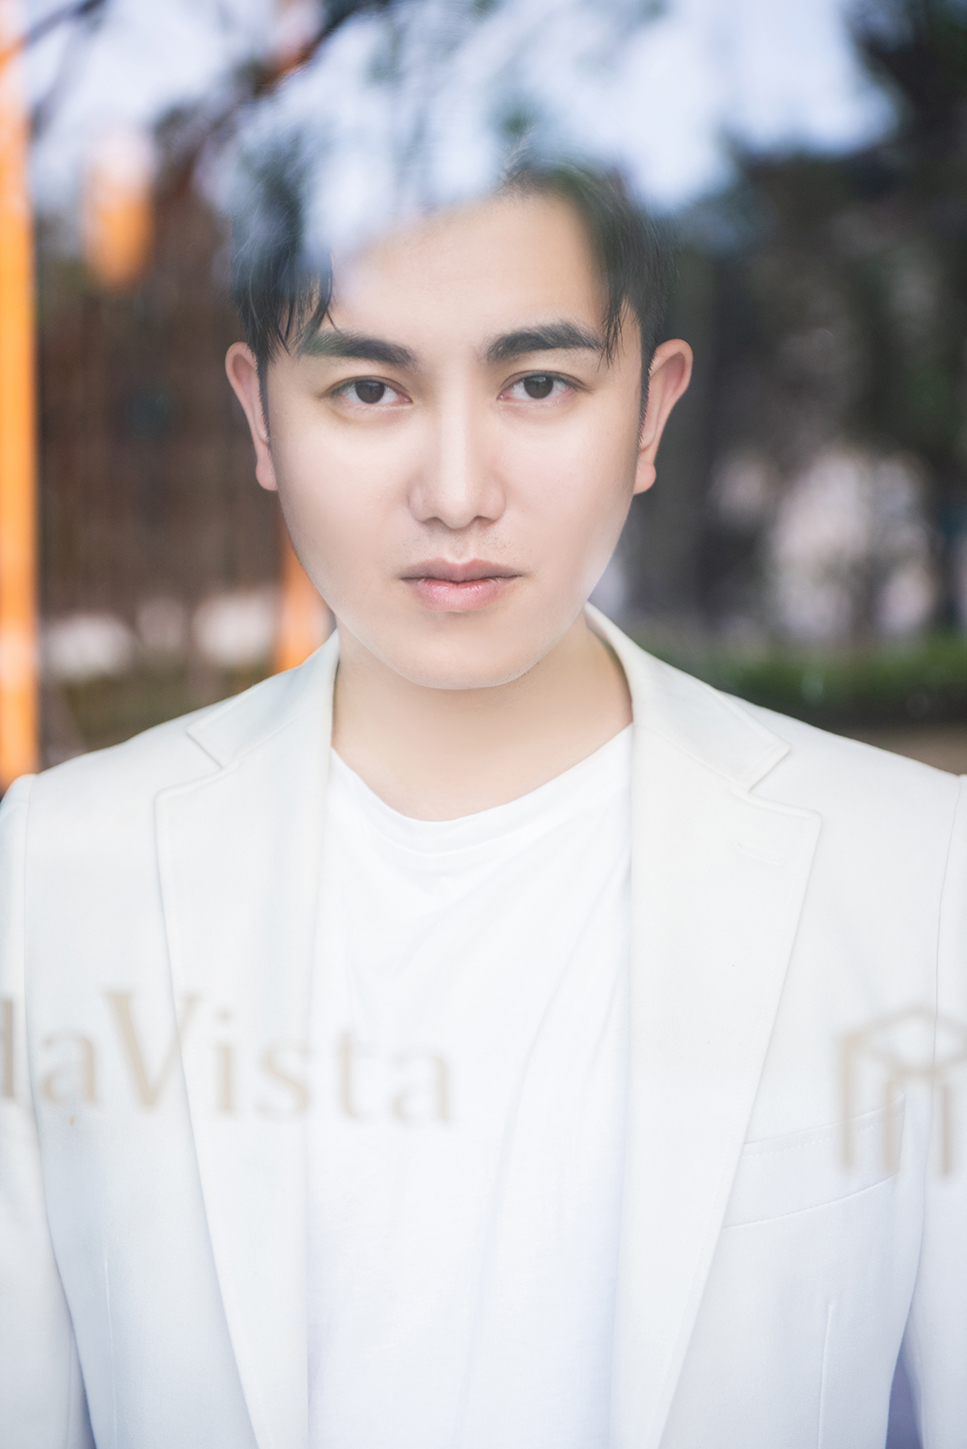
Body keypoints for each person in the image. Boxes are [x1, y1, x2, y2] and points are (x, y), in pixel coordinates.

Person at [0, 161, 964, 1449]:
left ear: (650, 412)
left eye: (538, 384)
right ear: (260, 418)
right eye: (369, 389)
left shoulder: (913, 872)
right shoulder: (61, 870)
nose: (457, 492)